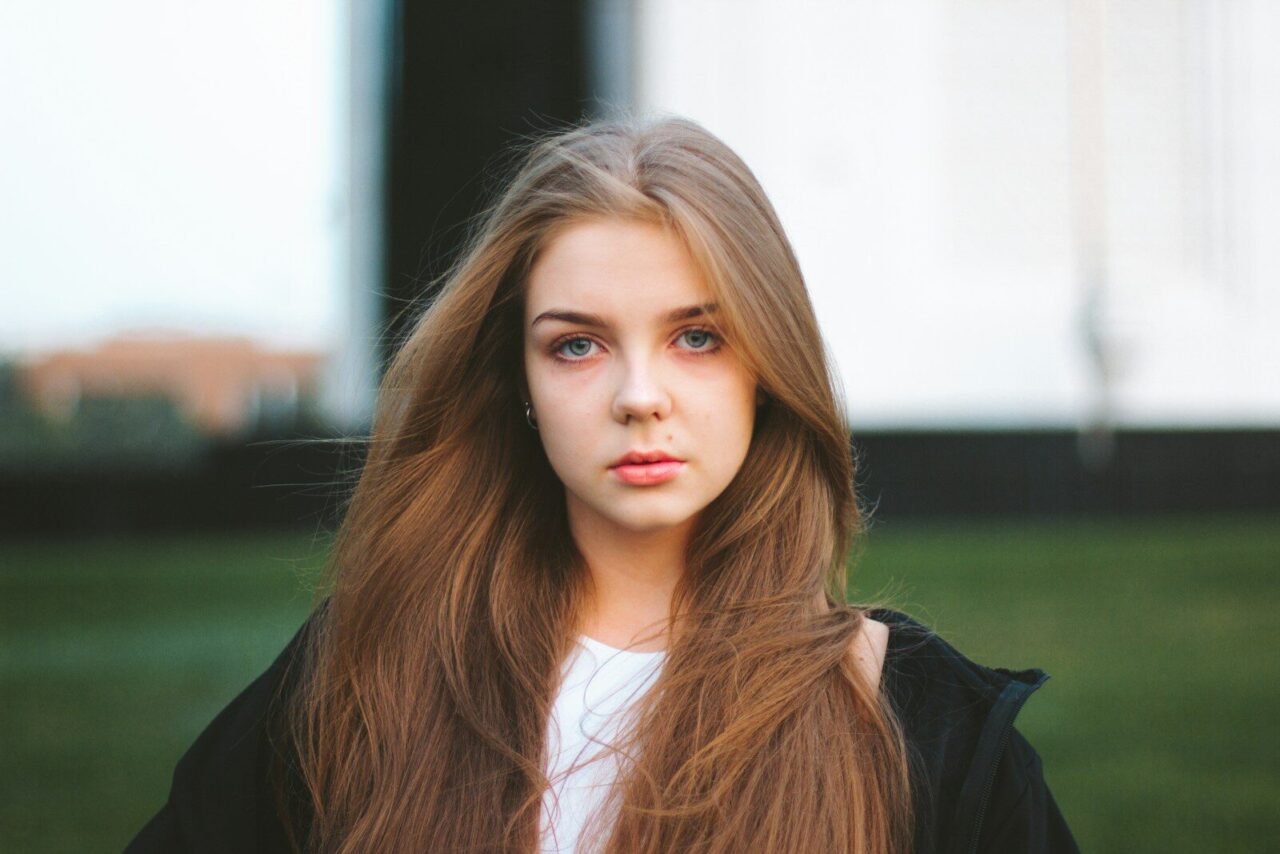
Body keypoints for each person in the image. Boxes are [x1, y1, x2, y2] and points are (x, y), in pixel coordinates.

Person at [127, 115, 1079, 853]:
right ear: (520, 383)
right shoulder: (366, 672)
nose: (639, 396)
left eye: (696, 337)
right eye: (577, 344)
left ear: (766, 367)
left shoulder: (919, 722)